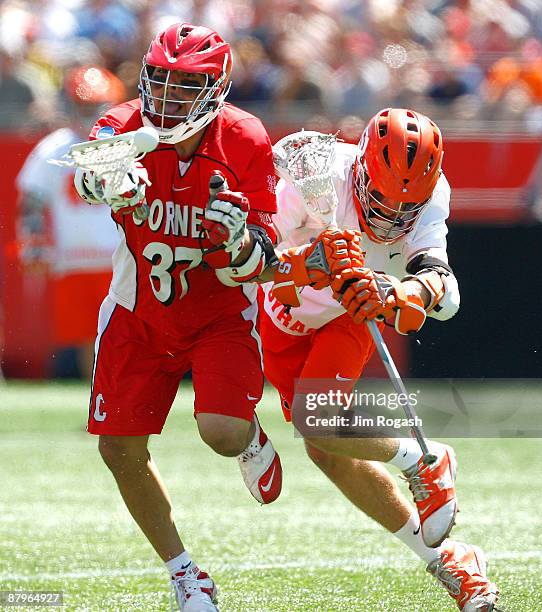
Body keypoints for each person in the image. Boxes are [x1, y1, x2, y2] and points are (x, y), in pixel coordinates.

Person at [73, 23, 356, 611]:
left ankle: (252, 441)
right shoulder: (124, 124)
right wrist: (104, 177)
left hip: (219, 310)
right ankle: (185, 574)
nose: (169, 99)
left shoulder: (245, 138)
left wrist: (238, 237)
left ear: (217, 89)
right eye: (162, 82)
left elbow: (261, 260)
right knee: (118, 450)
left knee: (221, 433)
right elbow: (88, 166)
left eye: (186, 87)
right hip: (138, 308)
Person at [261, 108, 500, 611]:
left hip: (350, 313)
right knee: (326, 449)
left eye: (404, 206)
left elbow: (444, 290)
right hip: (283, 313)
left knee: (316, 421)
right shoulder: (316, 174)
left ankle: (424, 460)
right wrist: (308, 265)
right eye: (381, 197)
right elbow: (251, 263)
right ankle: (451, 558)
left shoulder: (434, 193)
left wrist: (400, 292)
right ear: (360, 170)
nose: (391, 215)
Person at [16, 65, 125, 378]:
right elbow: (32, 198)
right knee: (86, 338)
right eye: (84, 108)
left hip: (118, 257)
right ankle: (96, 402)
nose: (89, 116)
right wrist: (34, 241)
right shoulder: (55, 147)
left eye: (96, 108)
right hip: (73, 259)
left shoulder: (122, 145)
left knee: (123, 335)